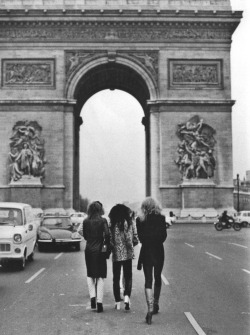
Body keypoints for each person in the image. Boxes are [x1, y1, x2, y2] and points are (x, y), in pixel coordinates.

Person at [136, 197, 167, 325]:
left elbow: (141, 238)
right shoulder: (161, 218)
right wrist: (156, 240)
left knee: (148, 280)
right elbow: (164, 236)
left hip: (146, 251)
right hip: (158, 250)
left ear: (144, 207)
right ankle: (156, 304)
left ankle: (149, 309)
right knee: (157, 277)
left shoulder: (139, 220)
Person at [108, 204, 139, 311]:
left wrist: (113, 247)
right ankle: (126, 297)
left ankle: (117, 301)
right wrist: (130, 248)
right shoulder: (129, 223)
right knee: (128, 276)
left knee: (115, 278)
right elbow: (134, 238)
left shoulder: (111, 223)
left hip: (116, 254)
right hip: (127, 254)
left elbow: (109, 239)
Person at [83, 201, 110, 313]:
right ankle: (99, 303)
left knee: (90, 274)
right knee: (100, 276)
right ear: (100, 210)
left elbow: (85, 236)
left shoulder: (85, 221)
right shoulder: (103, 221)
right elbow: (107, 235)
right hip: (100, 251)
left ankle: (92, 298)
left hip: (89, 250)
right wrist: (104, 248)